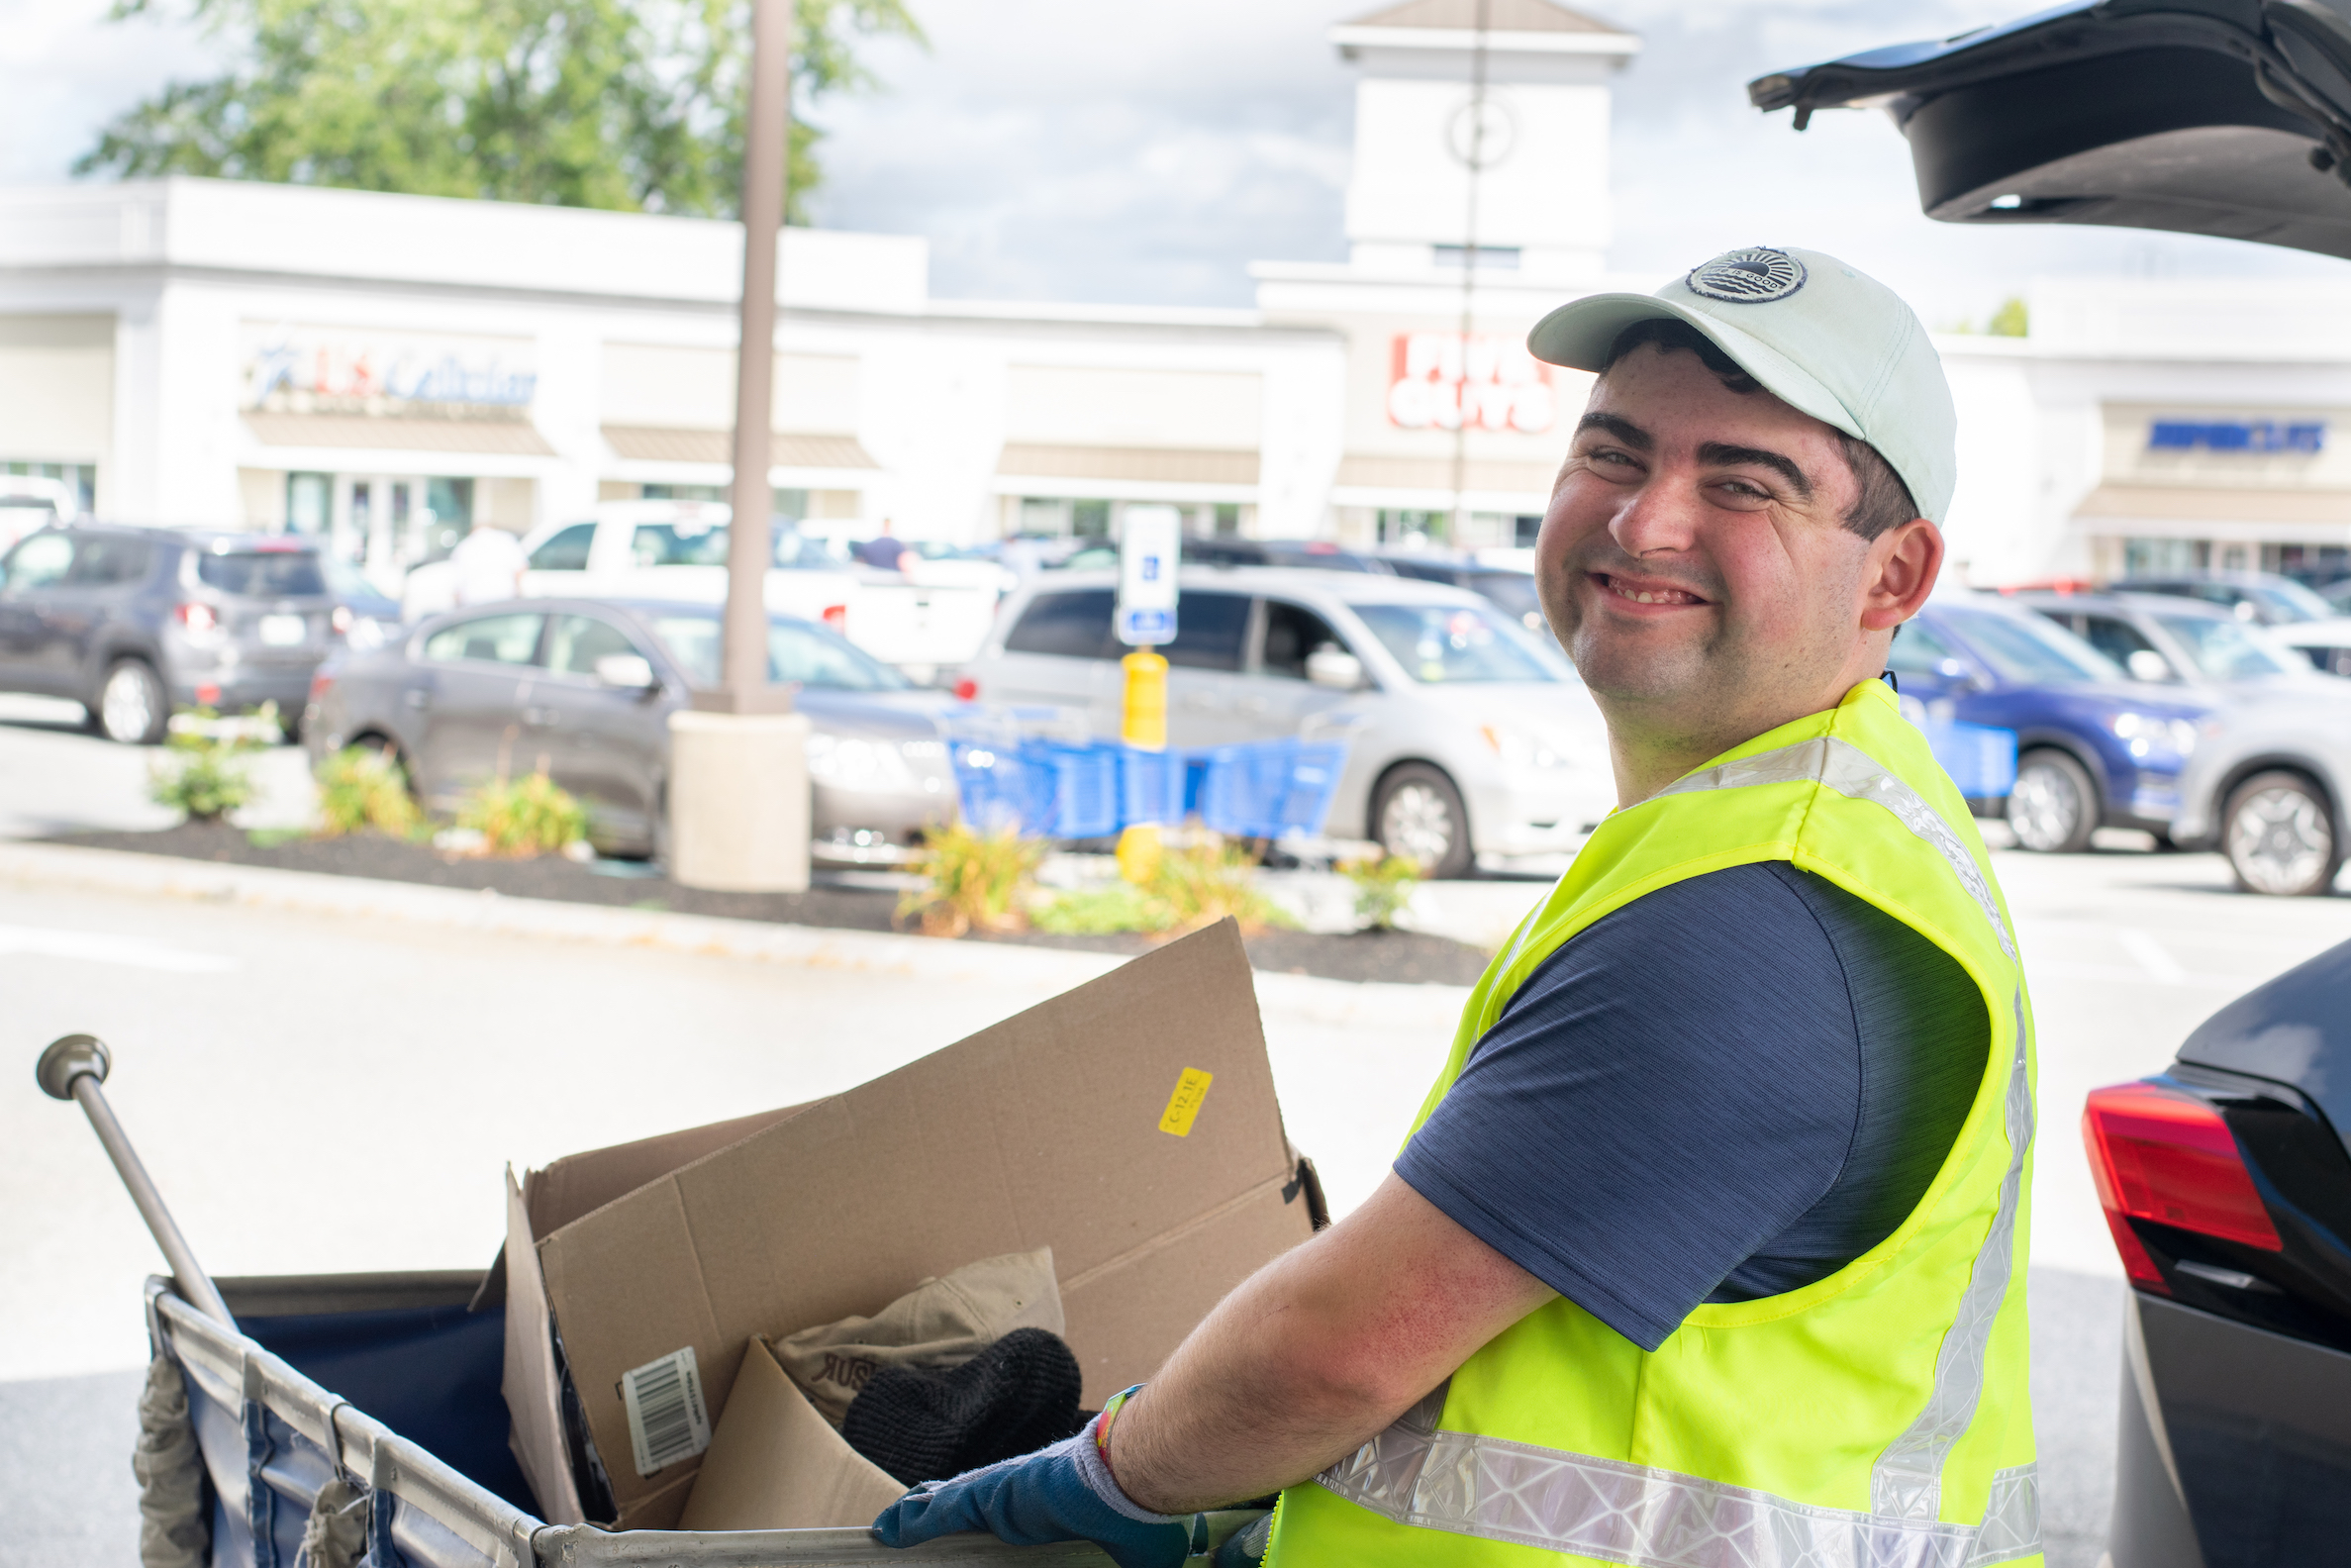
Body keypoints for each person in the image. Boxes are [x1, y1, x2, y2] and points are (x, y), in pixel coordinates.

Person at [872, 247, 2040, 1568]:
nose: (1643, 522)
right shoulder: (1795, 820)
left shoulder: (1761, 920)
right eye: (1611, 454)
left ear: (1891, 578)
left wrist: (1110, 1471)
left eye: (1740, 484)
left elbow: (1332, 1357)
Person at [448, 521, 529, 606]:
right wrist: (518, 591)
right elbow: (521, 568)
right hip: (504, 596)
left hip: (474, 600)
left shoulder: (463, 547)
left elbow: (457, 582)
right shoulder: (506, 540)